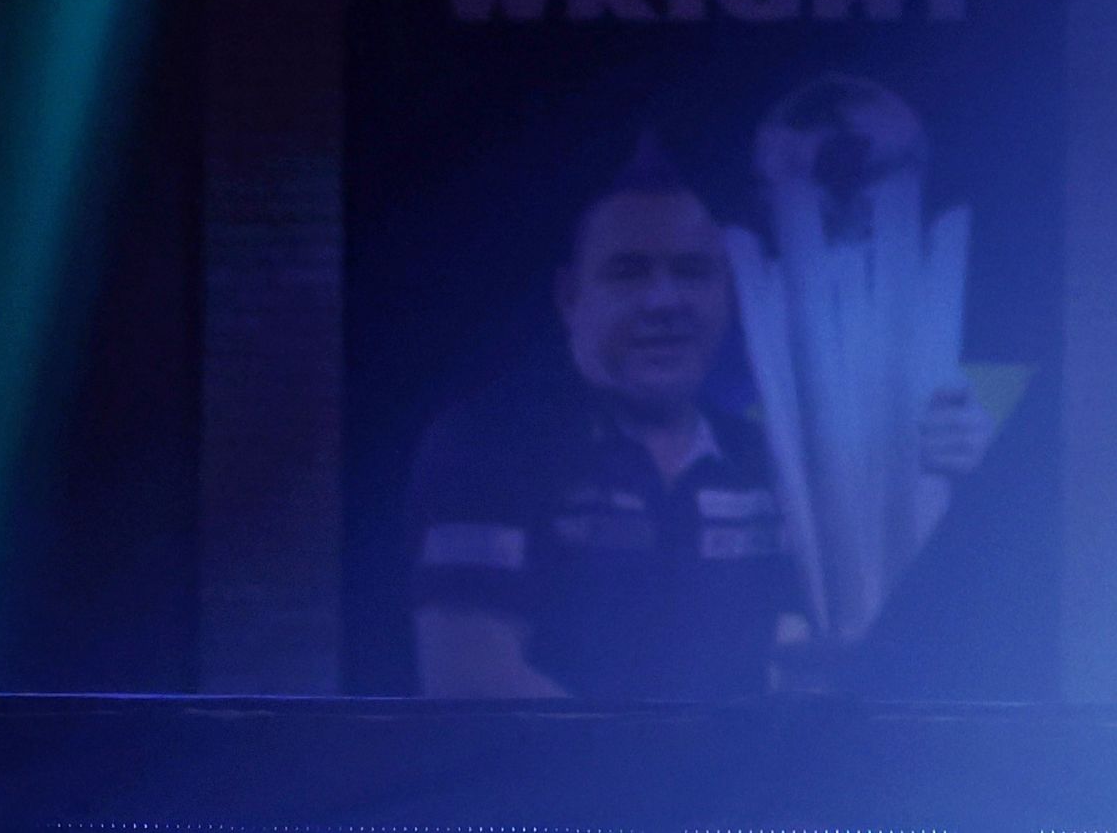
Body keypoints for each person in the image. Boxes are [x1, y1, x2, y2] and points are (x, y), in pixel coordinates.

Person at [407, 145, 990, 699]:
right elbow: (470, 673)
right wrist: (661, 766)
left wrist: (957, 491)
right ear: (570, 296)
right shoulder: (491, 446)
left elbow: (808, 652)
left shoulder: (763, 464)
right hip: (565, 780)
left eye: (691, 271)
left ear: (728, 293)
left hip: (740, 777)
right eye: (629, 272)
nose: (665, 302)